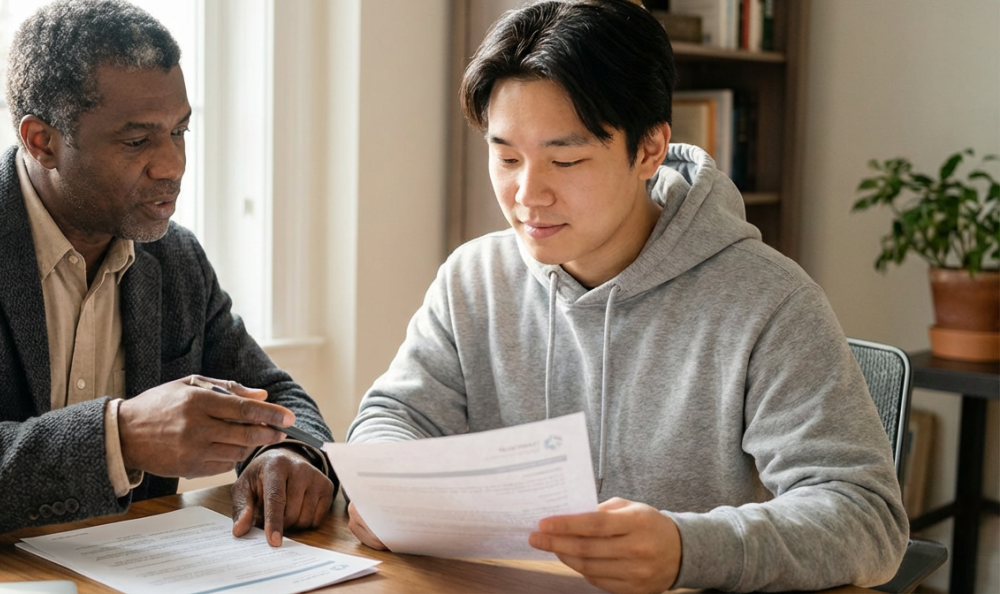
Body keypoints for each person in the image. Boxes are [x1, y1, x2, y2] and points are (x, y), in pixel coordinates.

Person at [343, 1, 908, 592]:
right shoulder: (474, 278)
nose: (527, 194)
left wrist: (689, 548)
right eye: (506, 156)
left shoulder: (768, 302)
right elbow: (396, 414)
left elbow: (866, 519)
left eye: (565, 159)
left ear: (649, 150)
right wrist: (389, 488)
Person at [0, 0, 335, 562]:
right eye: (137, 141)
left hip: (116, 570)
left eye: (180, 130)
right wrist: (117, 437)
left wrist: (292, 453)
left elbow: (277, 397)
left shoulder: (173, 259)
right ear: (41, 141)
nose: (172, 165)